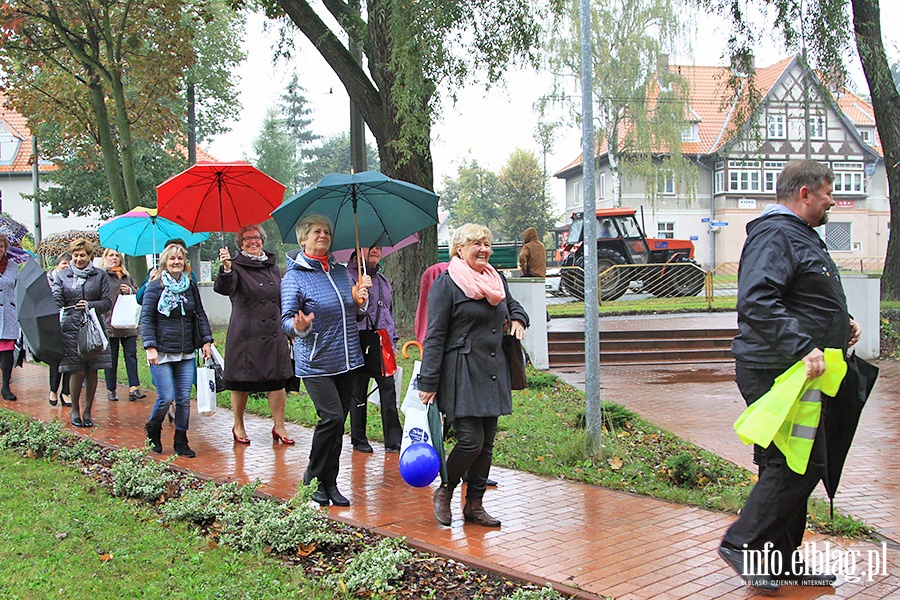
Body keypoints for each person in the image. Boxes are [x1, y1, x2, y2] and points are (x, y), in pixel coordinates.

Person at [718, 160, 861, 592]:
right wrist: (804, 345)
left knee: (796, 462)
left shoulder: (797, 236)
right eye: (827, 193)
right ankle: (744, 543)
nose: (832, 201)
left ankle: (778, 561)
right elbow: (758, 300)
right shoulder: (777, 233)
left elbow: (799, 295)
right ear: (804, 193)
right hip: (778, 369)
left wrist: (841, 323)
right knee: (795, 464)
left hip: (799, 370)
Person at [418, 223, 529, 527]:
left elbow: (514, 305)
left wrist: (518, 318)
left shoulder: (496, 280)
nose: (483, 249)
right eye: (475, 244)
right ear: (459, 249)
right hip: (462, 371)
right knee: (470, 441)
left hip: (493, 370)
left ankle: (475, 506)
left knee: (487, 442)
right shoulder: (447, 284)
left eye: (487, 244)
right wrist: (428, 381)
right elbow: (435, 335)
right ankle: (446, 489)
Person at [281, 214, 371, 507]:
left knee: (337, 424)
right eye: (317, 231)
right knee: (330, 417)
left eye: (327, 232)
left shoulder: (341, 271)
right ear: (303, 238)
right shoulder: (294, 276)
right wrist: (300, 327)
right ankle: (312, 477)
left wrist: (360, 302)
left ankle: (329, 485)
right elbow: (286, 320)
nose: (323, 235)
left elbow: (353, 314)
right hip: (316, 360)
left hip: (348, 360)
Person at [215, 224, 293, 445]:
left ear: (263, 240)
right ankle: (238, 424)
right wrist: (227, 268)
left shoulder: (272, 266)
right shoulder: (235, 265)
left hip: (273, 331)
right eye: (247, 239)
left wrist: (288, 327)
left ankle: (279, 426)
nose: (253, 241)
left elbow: (280, 297)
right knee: (241, 381)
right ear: (240, 244)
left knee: (277, 381)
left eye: (256, 238)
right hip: (246, 333)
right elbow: (224, 288)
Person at [141, 243, 213, 458]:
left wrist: (206, 341)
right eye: (172, 259)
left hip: (185, 351)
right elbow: (146, 318)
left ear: (185, 263)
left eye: (180, 259)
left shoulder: (190, 286)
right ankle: (153, 429)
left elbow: (199, 313)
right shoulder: (155, 286)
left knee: (183, 398)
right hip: (161, 350)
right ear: (165, 262)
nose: (176, 262)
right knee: (166, 396)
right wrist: (150, 347)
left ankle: (181, 440)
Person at [52, 239, 113, 427]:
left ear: (90, 257)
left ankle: (88, 410)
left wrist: (90, 305)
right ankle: (75, 409)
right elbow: (56, 300)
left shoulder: (100, 275)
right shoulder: (62, 276)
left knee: (93, 369)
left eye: (82, 255)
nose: (79, 259)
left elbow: (107, 302)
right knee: (77, 369)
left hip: (94, 327)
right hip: (71, 328)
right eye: (76, 255)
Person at [348, 247, 402, 453]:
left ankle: (393, 440)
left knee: (389, 390)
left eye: (378, 248)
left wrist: (393, 341)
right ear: (358, 250)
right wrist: (357, 292)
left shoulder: (384, 280)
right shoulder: (348, 277)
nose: (375, 251)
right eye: (370, 247)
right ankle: (358, 438)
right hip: (359, 340)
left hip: (383, 342)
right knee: (358, 391)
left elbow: (389, 312)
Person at [99, 248, 145, 402]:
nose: (114, 258)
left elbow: (138, 295)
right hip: (110, 323)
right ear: (105, 258)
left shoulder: (127, 276)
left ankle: (134, 388)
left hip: (127, 323)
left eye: (117, 255)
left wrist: (130, 290)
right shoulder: (102, 276)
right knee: (111, 358)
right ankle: (111, 389)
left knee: (131, 355)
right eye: (111, 255)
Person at [47, 252, 72, 407]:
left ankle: (66, 391)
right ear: (57, 265)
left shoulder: (73, 280)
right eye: (64, 263)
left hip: (70, 322)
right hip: (53, 323)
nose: (67, 266)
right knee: (55, 358)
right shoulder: (48, 281)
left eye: (69, 263)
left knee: (70, 357)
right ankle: (53, 389)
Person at [0, 234, 20, 401]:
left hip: (8, 314)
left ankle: (5, 386)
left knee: (7, 352)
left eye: (1, 246)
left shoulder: (12, 266)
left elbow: (17, 287)